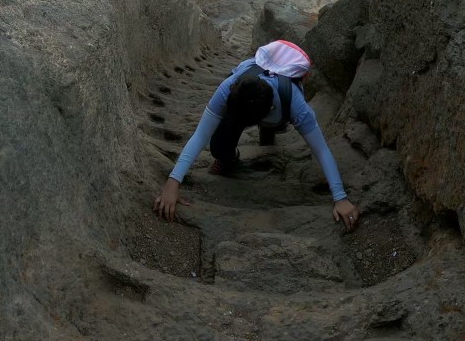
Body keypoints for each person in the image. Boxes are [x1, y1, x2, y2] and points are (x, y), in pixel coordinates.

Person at [153, 40, 361, 232]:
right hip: (253, 107)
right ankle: (230, 158)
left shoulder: (297, 106)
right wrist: (172, 184)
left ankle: (269, 130)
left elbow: (321, 150)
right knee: (218, 147)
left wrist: (340, 197)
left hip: (277, 109)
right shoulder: (230, 87)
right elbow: (200, 136)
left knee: (273, 126)